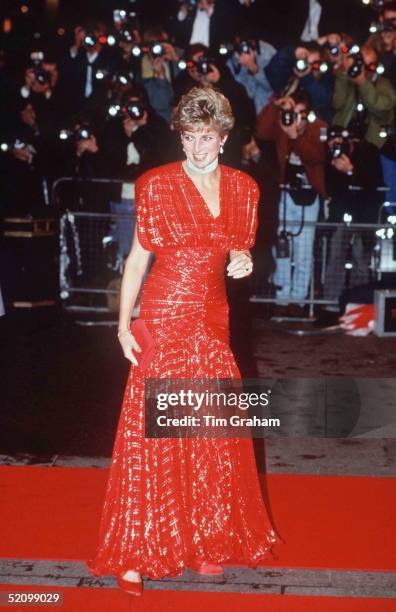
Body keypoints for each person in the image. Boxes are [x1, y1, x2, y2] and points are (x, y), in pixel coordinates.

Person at [86, 85, 279, 594]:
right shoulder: (155, 184)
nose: (197, 147)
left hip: (213, 318)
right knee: (152, 430)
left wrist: (243, 261)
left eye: (207, 137)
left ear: (223, 138)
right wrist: (123, 323)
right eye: (189, 136)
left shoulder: (244, 188)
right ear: (181, 136)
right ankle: (135, 549)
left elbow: (239, 250)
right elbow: (136, 260)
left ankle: (204, 539)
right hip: (166, 313)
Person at [256, 90, 327, 316]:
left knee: (304, 250)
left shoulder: (320, 128)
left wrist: (296, 136)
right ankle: (282, 296)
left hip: (309, 195)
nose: (296, 118)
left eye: (300, 113)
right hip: (285, 194)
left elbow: (318, 156)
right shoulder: (283, 124)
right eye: (293, 112)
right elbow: (261, 130)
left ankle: (298, 298)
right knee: (283, 247)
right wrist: (277, 107)